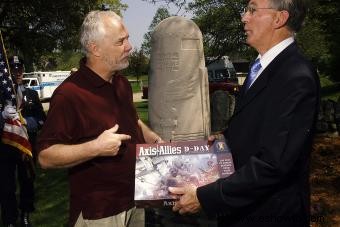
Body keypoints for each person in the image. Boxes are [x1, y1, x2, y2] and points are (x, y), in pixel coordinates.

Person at [169, 0, 320, 226]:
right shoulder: (260, 66)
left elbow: (273, 163)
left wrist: (205, 197)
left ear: (279, 19)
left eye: (252, 10)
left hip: (270, 214)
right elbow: (262, 124)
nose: (244, 17)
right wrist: (227, 137)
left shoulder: (296, 75)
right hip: (243, 210)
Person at [37, 10, 163, 227]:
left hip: (135, 199)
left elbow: (130, 118)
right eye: (120, 41)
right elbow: (45, 157)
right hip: (100, 213)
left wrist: (148, 134)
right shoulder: (69, 94)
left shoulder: (121, 83)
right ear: (95, 49)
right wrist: (95, 147)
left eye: (127, 38)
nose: (129, 46)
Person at [0, 56, 46, 227]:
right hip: (5, 147)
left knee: (27, 183)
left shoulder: (32, 94)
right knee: (6, 187)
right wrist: (2, 117)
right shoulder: (2, 94)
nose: (17, 71)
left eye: (20, 68)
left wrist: (27, 122)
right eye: (13, 68)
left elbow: (42, 119)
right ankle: (9, 220)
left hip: (26, 148)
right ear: (7, 71)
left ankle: (25, 215)